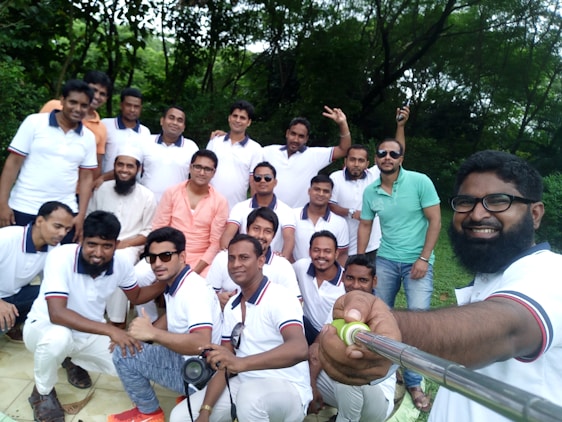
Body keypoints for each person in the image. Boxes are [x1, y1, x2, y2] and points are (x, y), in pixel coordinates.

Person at [319, 150, 561, 422]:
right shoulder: (488, 281)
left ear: (536, 213)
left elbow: (506, 329)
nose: (477, 214)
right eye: (466, 202)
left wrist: (383, 325)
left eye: (498, 201)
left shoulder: (552, 274)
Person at [22, 211, 168, 422]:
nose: (98, 253)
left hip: (87, 332)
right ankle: (42, 393)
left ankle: (70, 360)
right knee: (58, 339)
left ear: (116, 244)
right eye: (92, 244)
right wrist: (111, 330)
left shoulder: (121, 264)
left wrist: (167, 281)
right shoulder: (61, 256)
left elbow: (136, 296)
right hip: (43, 328)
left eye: (106, 246)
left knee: (129, 360)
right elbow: (57, 313)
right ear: (81, 240)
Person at [170, 234, 312, 422]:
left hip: (288, 387)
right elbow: (226, 364)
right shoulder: (231, 306)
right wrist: (205, 411)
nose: (236, 264)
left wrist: (242, 363)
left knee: (249, 397)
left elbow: (299, 348)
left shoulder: (280, 296)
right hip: (245, 383)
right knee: (181, 416)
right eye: (231, 258)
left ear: (261, 261)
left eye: (244, 258)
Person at [357, 137, 441, 411]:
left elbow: (435, 220)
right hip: (386, 260)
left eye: (394, 153)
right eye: (382, 153)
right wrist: (360, 260)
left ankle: (414, 382)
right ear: (376, 157)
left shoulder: (420, 182)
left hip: (417, 262)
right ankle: (384, 373)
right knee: (381, 318)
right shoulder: (371, 191)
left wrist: (423, 258)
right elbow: (366, 225)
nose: (388, 157)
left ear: (401, 158)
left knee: (417, 324)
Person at [108, 227, 223, 422]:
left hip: (201, 372)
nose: (157, 264)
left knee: (122, 354)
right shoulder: (177, 283)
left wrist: (152, 334)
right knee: (127, 344)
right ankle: (187, 396)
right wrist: (134, 336)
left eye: (166, 256)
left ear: (182, 256)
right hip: (197, 363)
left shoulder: (193, 291)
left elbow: (201, 343)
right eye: (152, 258)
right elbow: (173, 317)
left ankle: (149, 414)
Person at [135, 150, 228, 321]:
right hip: (167, 253)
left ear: (214, 173)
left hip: (201, 259)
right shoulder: (172, 192)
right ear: (190, 168)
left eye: (207, 169)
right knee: (138, 276)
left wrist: (193, 270)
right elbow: (158, 229)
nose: (202, 172)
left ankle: (187, 329)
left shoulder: (220, 201)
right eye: (198, 167)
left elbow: (215, 243)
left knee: (204, 288)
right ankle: (150, 322)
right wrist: (162, 257)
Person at [0, 79, 97, 242]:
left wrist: (81, 215)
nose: (78, 109)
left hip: (65, 214)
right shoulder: (34, 122)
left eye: (84, 105)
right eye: (73, 102)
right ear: (62, 100)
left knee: (56, 264)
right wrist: (2, 203)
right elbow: (13, 163)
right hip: (24, 205)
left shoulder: (88, 137)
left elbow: (87, 177)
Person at [308, 255, 395, 422]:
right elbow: (317, 346)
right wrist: (311, 385)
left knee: (348, 370)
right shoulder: (340, 306)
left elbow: (362, 365)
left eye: (363, 280)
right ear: (342, 278)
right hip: (345, 392)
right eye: (350, 278)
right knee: (302, 368)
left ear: (374, 281)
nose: (355, 285)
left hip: (376, 401)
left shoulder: (384, 316)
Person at [87, 147, 157, 328]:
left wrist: (122, 244)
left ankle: (117, 321)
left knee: (119, 261)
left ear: (138, 169)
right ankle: (88, 315)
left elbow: (148, 232)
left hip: (130, 246)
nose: (124, 170)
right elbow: (90, 219)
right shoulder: (101, 189)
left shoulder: (147, 196)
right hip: (98, 242)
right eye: (120, 165)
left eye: (129, 166)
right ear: (114, 166)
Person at [329, 106, 409, 259]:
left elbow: (396, 154)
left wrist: (400, 126)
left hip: (373, 246)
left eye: (361, 161)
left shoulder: (375, 176)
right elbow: (329, 205)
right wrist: (352, 213)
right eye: (352, 160)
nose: (356, 164)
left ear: (368, 163)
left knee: (372, 282)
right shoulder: (335, 177)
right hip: (342, 246)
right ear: (345, 161)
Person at [0, 201, 74, 342]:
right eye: (57, 226)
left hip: (16, 295)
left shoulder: (55, 249)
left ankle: (15, 324)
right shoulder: (7, 237)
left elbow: (52, 287)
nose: (62, 233)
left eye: (67, 229)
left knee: (60, 298)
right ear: (39, 221)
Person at [208, 207, 301, 309]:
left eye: (267, 231)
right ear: (247, 230)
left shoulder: (282, 265)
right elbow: (206, 296)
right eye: (256, 229)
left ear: (273, 236)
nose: (260, 236)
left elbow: (296, 302)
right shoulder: (223, 258)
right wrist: (218, 299)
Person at [262, 106, 351, 208]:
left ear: (306, 139)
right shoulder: (269, 151)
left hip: (298, 217)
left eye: (301, 136)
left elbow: (344, 149)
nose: (296, 139)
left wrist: (342, 124)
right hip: (269, 215)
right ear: (287, 133)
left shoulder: (314, 155)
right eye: (293, 134)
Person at [40, 70, 112, 181]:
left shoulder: (101, 128)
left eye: (102, 94)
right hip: (38, 178)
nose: (97, 96)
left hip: (74, 190)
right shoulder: (55, 106)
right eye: (94, 90)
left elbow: (96, 165)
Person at [219, 161, 296, 258]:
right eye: (258, 178)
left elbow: (289, 238)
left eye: (267, 178)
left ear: (275, 182)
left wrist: (281, 261)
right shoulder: (240, 207)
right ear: (253, 182)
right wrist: (229, 257)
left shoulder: (286, 211)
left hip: (272, 262)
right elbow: (228, 234)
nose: (262, 181)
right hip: (243, 260)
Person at [206, 100, 263, 209]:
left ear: (249, 122)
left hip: (235, 209)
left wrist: (255, 211)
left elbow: (254, 183)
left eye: (242, 118)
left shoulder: (255, 149)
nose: (237, 120)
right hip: (208, 206)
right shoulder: (215, 142)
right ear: (229, 118)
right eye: (235, 116)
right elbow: (204, 172)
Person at [293, 230, 345, 345]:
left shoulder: (345, 282)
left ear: (336, 254)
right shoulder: (301, 267)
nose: (321, 255)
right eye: (316, 250)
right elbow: (283, 273)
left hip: (333, 337)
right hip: (306, 330)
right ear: (309, 251)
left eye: (327, 251)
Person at [139, 105, 199, 202]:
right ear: (162, 121)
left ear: (183, 127)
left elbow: (196, 177)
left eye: (180, 120)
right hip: (146, 203)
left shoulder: (191, 147)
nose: (175, 123)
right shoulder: (146, 142)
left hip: (176, 205)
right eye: (171, 118)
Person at [292, 174, 349, 266]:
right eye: (317, 189)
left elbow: (341, 255)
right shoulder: (292, 215)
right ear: (309, 191)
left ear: (330, 195)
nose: (321, 194)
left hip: (326, 276)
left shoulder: (340, 222)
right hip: (294, 273)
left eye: (325, 191)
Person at [98, 87, 150, 184]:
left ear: (141, 108)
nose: (132, 110)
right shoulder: (105, 125)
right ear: (121, 105)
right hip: (105, 184)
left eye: (136, 106)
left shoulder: (145, 132)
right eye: (128, 105)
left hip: (133, 188)